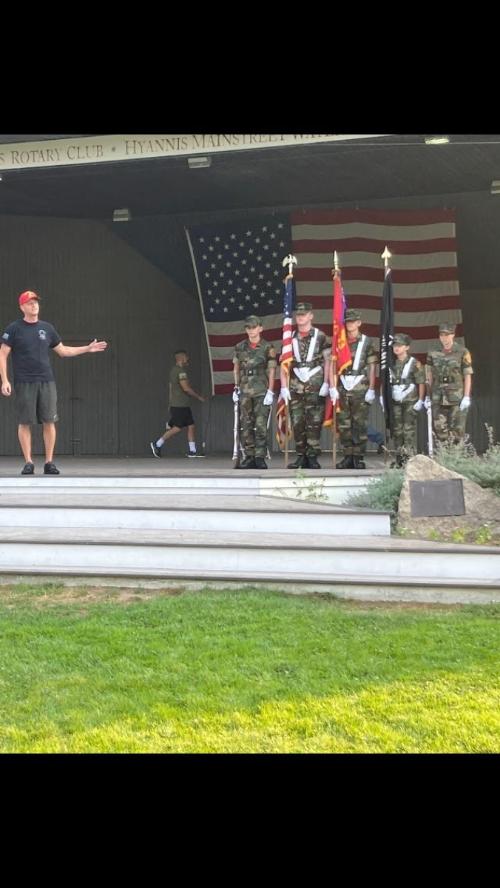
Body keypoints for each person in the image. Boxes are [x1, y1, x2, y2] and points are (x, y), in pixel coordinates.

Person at [0, 290, 108, 475]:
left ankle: (49, 462)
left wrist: (87, 348)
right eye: (29, 303)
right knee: (25, 422)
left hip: (46, 381)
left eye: (36, 302)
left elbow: (63, 351)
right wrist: (5, 380)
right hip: (24, 382)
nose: (34, 305)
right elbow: (2, 354)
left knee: (49, 420)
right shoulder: (14, 328)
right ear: (22, 307)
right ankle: (28, 462)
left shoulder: (47, 328)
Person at [280, 299, 331, 470]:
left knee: (314, 422)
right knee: (297, 422)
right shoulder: (290, 338)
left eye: (304, 314)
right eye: (298, 315)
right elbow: (284, 363)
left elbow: (328, 361)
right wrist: (284, 387)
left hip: (315, 385)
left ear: (311, 316)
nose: (300, 317)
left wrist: (327, 383)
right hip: (295, 386)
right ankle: (301, 456)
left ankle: (312, 456)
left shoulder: (321, 336)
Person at [334, 308, 378, 470]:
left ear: (359, 323)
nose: (350, 325)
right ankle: (347, 456)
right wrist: (332, 386)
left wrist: (371, 388)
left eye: (353, 322)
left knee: (359, 423)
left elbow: (372, 366)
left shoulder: (367, 342)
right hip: (343, 385)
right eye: (347, 322)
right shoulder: (340, 341)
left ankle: (358, 457)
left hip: (360, 386)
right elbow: (333, 364)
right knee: (344, 424)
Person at [232, 315, 276, 469]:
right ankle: (249, 456)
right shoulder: (240, 347)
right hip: (244, 390)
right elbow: (236, 368)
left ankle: (260, 457)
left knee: (261, 425)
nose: (251, 330)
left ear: (260, 328)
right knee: (246, 425)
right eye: (248, 328)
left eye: (254, 327)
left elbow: (272, 370)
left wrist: (270, 390)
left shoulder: (267, 347)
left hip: (261, 390)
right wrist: (236, 387)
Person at [150, 349, 205, 458]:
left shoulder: (173, 370)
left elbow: (171, 387)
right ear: (181, 358)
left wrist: (170, 402)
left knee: (191, 426)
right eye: (186, 357)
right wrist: (198, 397)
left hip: (182, 404)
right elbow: (186, 388)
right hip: (180, 405)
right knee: (177, 427)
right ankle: (157, 444)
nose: (187, 359)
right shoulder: (180, 372)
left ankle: (192, 451)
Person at [425, 322, 473, 445]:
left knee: (457, 430)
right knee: (439, 429)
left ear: (453, 335)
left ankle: (455, 456)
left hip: (456, 397)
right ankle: (444, 454)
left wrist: (466, 396)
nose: (444, 338)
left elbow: (467, 375)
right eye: (441, 335)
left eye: (446, 335)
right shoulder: (433, 353)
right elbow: (429, 376)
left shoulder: (462, 352)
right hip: (438, 396)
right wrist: (428, 395)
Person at [387, 333, 426, 467]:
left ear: (407, 347)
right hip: (395, 401)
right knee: (397, 430)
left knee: (408, 430)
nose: (396, 348)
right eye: (395, 345)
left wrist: (420, 400)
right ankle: (399, 458)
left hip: (410, 401)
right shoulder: (391, 363)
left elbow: (421, 382)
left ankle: (409, 458)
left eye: (400, 345)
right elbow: (386, 381)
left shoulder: (414, 363)